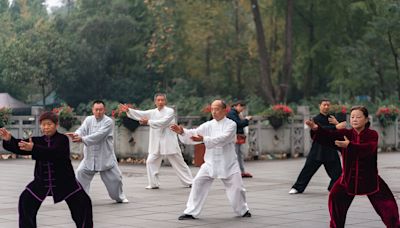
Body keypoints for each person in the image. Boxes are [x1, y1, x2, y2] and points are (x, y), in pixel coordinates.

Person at [306, 106, 400, 228]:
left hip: (370, 180)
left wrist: (349, 146)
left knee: (389, 206)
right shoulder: (346, 134)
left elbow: (368, 148)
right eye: (352, 117)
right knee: (334, 197)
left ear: (366, 119)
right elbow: (329, 137)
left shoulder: (372, 134)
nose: (354, 119)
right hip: (347, 180)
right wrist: (316, 129)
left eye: (358, 117)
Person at [0, 111, 93, 228]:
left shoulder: (63, 140)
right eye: (43, 124)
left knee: (84, 204)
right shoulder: (37, 140)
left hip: (65, 183)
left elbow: (53, 153)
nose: (46, 127)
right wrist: (9, 139)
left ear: (56, 125)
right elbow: (21, 146)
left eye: (49, 124)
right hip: (41, 182)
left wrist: (33, 148)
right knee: (25, 201)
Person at [171, 99, 251, 220]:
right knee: (197, 183)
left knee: (237, 189)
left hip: (228, 163)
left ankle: (243, 210)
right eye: (212, 109)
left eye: (217, 109)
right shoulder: (208, 125)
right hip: (210, 163)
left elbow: (222, 139)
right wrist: (183, 132)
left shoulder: (231, 124)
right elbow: (194, 133)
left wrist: (204, 139)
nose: (214, 112)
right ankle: (190, 211)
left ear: (225, 110)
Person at [120, 93, 193, 189]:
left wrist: (148, 122)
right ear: (155, 102)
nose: (160, 102)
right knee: (150, 161)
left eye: (162, 100)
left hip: (169, 141)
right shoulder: (152, 112)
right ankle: (153, 184)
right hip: (156, 143)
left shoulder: (170, 111)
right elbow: (141, 114)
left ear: (165, 101)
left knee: (179, 163)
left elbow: (163, 122)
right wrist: (129, 110)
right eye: (158, 100)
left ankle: (190, 181)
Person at [67, 100, 128, 203]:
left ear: (104, 110)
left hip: (105, 157)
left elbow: (99, 135)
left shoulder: (108, 121)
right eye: (96, 110)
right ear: (93, 110)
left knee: (116, 180)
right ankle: (81, 198)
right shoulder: (88, 120)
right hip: (90, 158)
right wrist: (76, 134)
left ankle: (120, 197)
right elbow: (81, 129)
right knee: (80, 173)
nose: (98, 112)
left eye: (100, 110)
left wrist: (82, 139)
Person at [289, 99, 343, 194]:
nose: (326, 107)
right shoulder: (315, 119)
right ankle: (297, 187)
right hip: (317, 150)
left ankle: (333, 187)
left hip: (330, 150)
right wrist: (335, 127)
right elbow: (318, 132)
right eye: (324, 105)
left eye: (328, 105)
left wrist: (337, 124)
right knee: (307, 170)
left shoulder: (332, 119)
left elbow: (339, 132)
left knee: (338, 173)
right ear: (320, 106)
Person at [227, 100, 253, 178]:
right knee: (236, 154)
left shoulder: (235, 113)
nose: (242, 110)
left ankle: (241, 171)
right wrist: (246, 120)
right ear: (238, 105)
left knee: (239, 154)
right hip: (234, 136)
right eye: (242, 108)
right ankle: (237, 171)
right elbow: (238, 124)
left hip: (237, 136)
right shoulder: (232, 113)